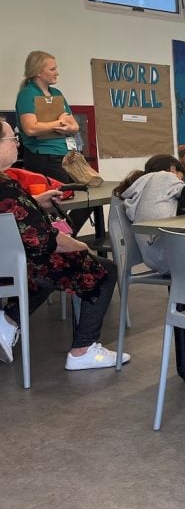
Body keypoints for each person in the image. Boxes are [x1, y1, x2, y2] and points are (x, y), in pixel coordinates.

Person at [0, 118, 122, 370]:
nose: (16, 144)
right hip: (21, 265)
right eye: (12, 138)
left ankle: (8, 322)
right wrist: (83, 247)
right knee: (104, 269)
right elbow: (47, 241)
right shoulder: (8, 187)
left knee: (49, 272)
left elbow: (12, 214)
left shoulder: (8, 188)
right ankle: (83, 350)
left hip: (7, 263)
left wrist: (33, 201)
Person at [114, 153, 185, 381]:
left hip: (153, 258)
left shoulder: (139, 189)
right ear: (173, 169)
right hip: (174, 259)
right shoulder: (164, 178)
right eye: (180, 174)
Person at [15, 51, 90, 232]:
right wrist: (58, 123)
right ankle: (61, 242)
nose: (57, 72)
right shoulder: (27, 94)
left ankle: (67, 238)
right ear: (39, 71)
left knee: (88, 198)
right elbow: (31, 128)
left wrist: (64, 126)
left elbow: (74, 126)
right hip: (44, 156)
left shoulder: (57, 93)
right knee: (55, 204)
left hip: (67, 155)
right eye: (53, 69)